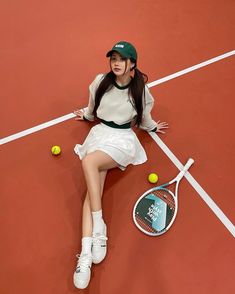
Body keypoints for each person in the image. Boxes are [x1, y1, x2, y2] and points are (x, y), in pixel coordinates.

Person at [73, 41, 168, 289]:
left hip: (122, 139)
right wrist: (87, 115)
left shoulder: (140, 90)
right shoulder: (100, 82)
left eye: (122, 59)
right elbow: (92, 107)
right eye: (113, 58)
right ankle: (85, 253)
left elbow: (145, 117)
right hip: (100, 133)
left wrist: (153, 127)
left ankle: (100, 225)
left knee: (90, 161)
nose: (116, 62)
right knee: (92, 191)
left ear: (132, 64)